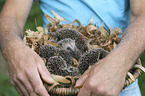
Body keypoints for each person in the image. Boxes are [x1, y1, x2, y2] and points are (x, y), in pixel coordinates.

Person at [0, 0, 145, 96]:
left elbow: (142, 13)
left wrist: (121, 61)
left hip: (119, 82)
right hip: (52, 85)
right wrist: (12, 47)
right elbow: (12, 15)